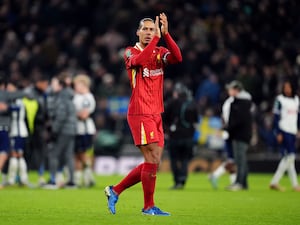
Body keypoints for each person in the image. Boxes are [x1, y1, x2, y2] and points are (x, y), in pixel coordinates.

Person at [104, 13, 182, 216]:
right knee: (152, 157)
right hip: (140, 111)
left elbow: (178, 57)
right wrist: (157, 37)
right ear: (138, 32)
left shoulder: (159, 51)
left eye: (151, 29)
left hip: (156, 112)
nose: (149, 33)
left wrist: (166, 34)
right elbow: (140, 61)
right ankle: (148, 206)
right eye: (145, 29)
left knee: (154, 161)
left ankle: (116, 190)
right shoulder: (130, 52)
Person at [44, 74, 77, 189]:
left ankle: (53, 181)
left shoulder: (62, 97)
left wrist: (54, 131)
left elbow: (61, 116)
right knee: (68, 155)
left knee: (54, 154)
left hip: (63, 130)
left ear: (60, 85)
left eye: (54, 83)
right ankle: (72, 182)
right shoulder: (68, 95)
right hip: (71, 129)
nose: (52, 86)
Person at [164, 83, 198, 189]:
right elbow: (196, 121)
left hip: (174, 136)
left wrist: (167, 131)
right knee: (184, 159)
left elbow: (164, 118)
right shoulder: (191, 104)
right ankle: (182, 179)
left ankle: (177, 181)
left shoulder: (171, 103)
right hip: (188, 136)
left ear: (176, 93)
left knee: (174, 159)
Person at [269, 80, 300, 192]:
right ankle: (275, 181)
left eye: (289, 87)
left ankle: (295, 185)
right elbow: (276, 117)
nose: (287, 89)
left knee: (288, 158)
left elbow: (298, 116)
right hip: (284, 130)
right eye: (285, 87)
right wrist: (278, 132)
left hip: (293, 131)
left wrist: (298, 129)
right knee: (290, 156)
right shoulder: (279, 100)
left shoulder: (296, 100)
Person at [223, 80, 253, 191]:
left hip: (240, 135)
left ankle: (239, 182)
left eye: (231, 89)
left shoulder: (241, 103)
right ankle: (243, 183)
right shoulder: (243, 102)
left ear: (236, 90)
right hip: (241, 134)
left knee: (240, 160)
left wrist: (228, 128)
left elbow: (239, 121)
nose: (229, 91)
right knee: (242, 159)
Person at [209, 91, 237, 189]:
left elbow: (223, 118)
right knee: (232, 160)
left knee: (232, 160)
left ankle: (234, 182)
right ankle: (215, 175)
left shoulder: (228, 104)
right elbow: (226, 119)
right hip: (230, 134)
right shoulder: (230, 103)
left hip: (228, 133)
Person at [73, 74, 96, 187]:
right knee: (76, 154)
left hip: (85, 129)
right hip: (77, 129)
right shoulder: (77, 97)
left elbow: (84, 115)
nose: (75, 87)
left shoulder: (88, 97)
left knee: (82, 153)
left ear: (83, 85)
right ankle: (78, 179)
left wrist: (70, 114)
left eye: (76, 84)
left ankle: (87, 177)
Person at [6, 81, 29, 186]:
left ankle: (12, 179)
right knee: (18, 155)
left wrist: (5, 107)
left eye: (11, 88)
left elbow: (16, 109)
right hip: (19, 130)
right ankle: (22, 178)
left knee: (16, 154)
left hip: (17, 131)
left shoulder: (17, 100)